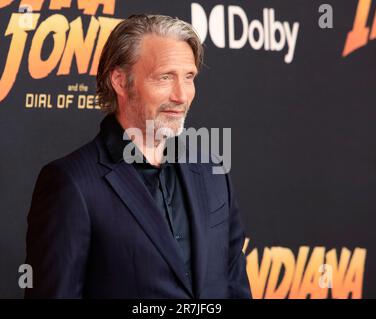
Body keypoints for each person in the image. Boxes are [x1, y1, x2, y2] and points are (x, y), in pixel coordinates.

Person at [25, 14, 251, 299]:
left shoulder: (212, 170)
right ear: (120, 81)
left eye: (189, 77)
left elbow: (234, 284)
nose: (182, 95)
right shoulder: (71, 183)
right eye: (165, 77)